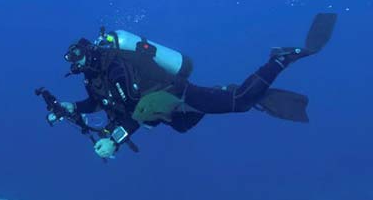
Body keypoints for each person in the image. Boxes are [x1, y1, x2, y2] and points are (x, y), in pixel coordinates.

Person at [38, 13, 337, 159]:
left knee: (240, 102)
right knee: (187, 124)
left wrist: (115, 139)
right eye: (71, 62)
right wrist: (70, 107)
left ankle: (281, 59)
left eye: (75, 58)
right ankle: (226, 91)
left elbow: (135, 108)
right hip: (169, 109)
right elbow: (95, 103)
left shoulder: (115, 67)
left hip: (176, 94)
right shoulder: (95, 78)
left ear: (88, 52)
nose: (74, 65)